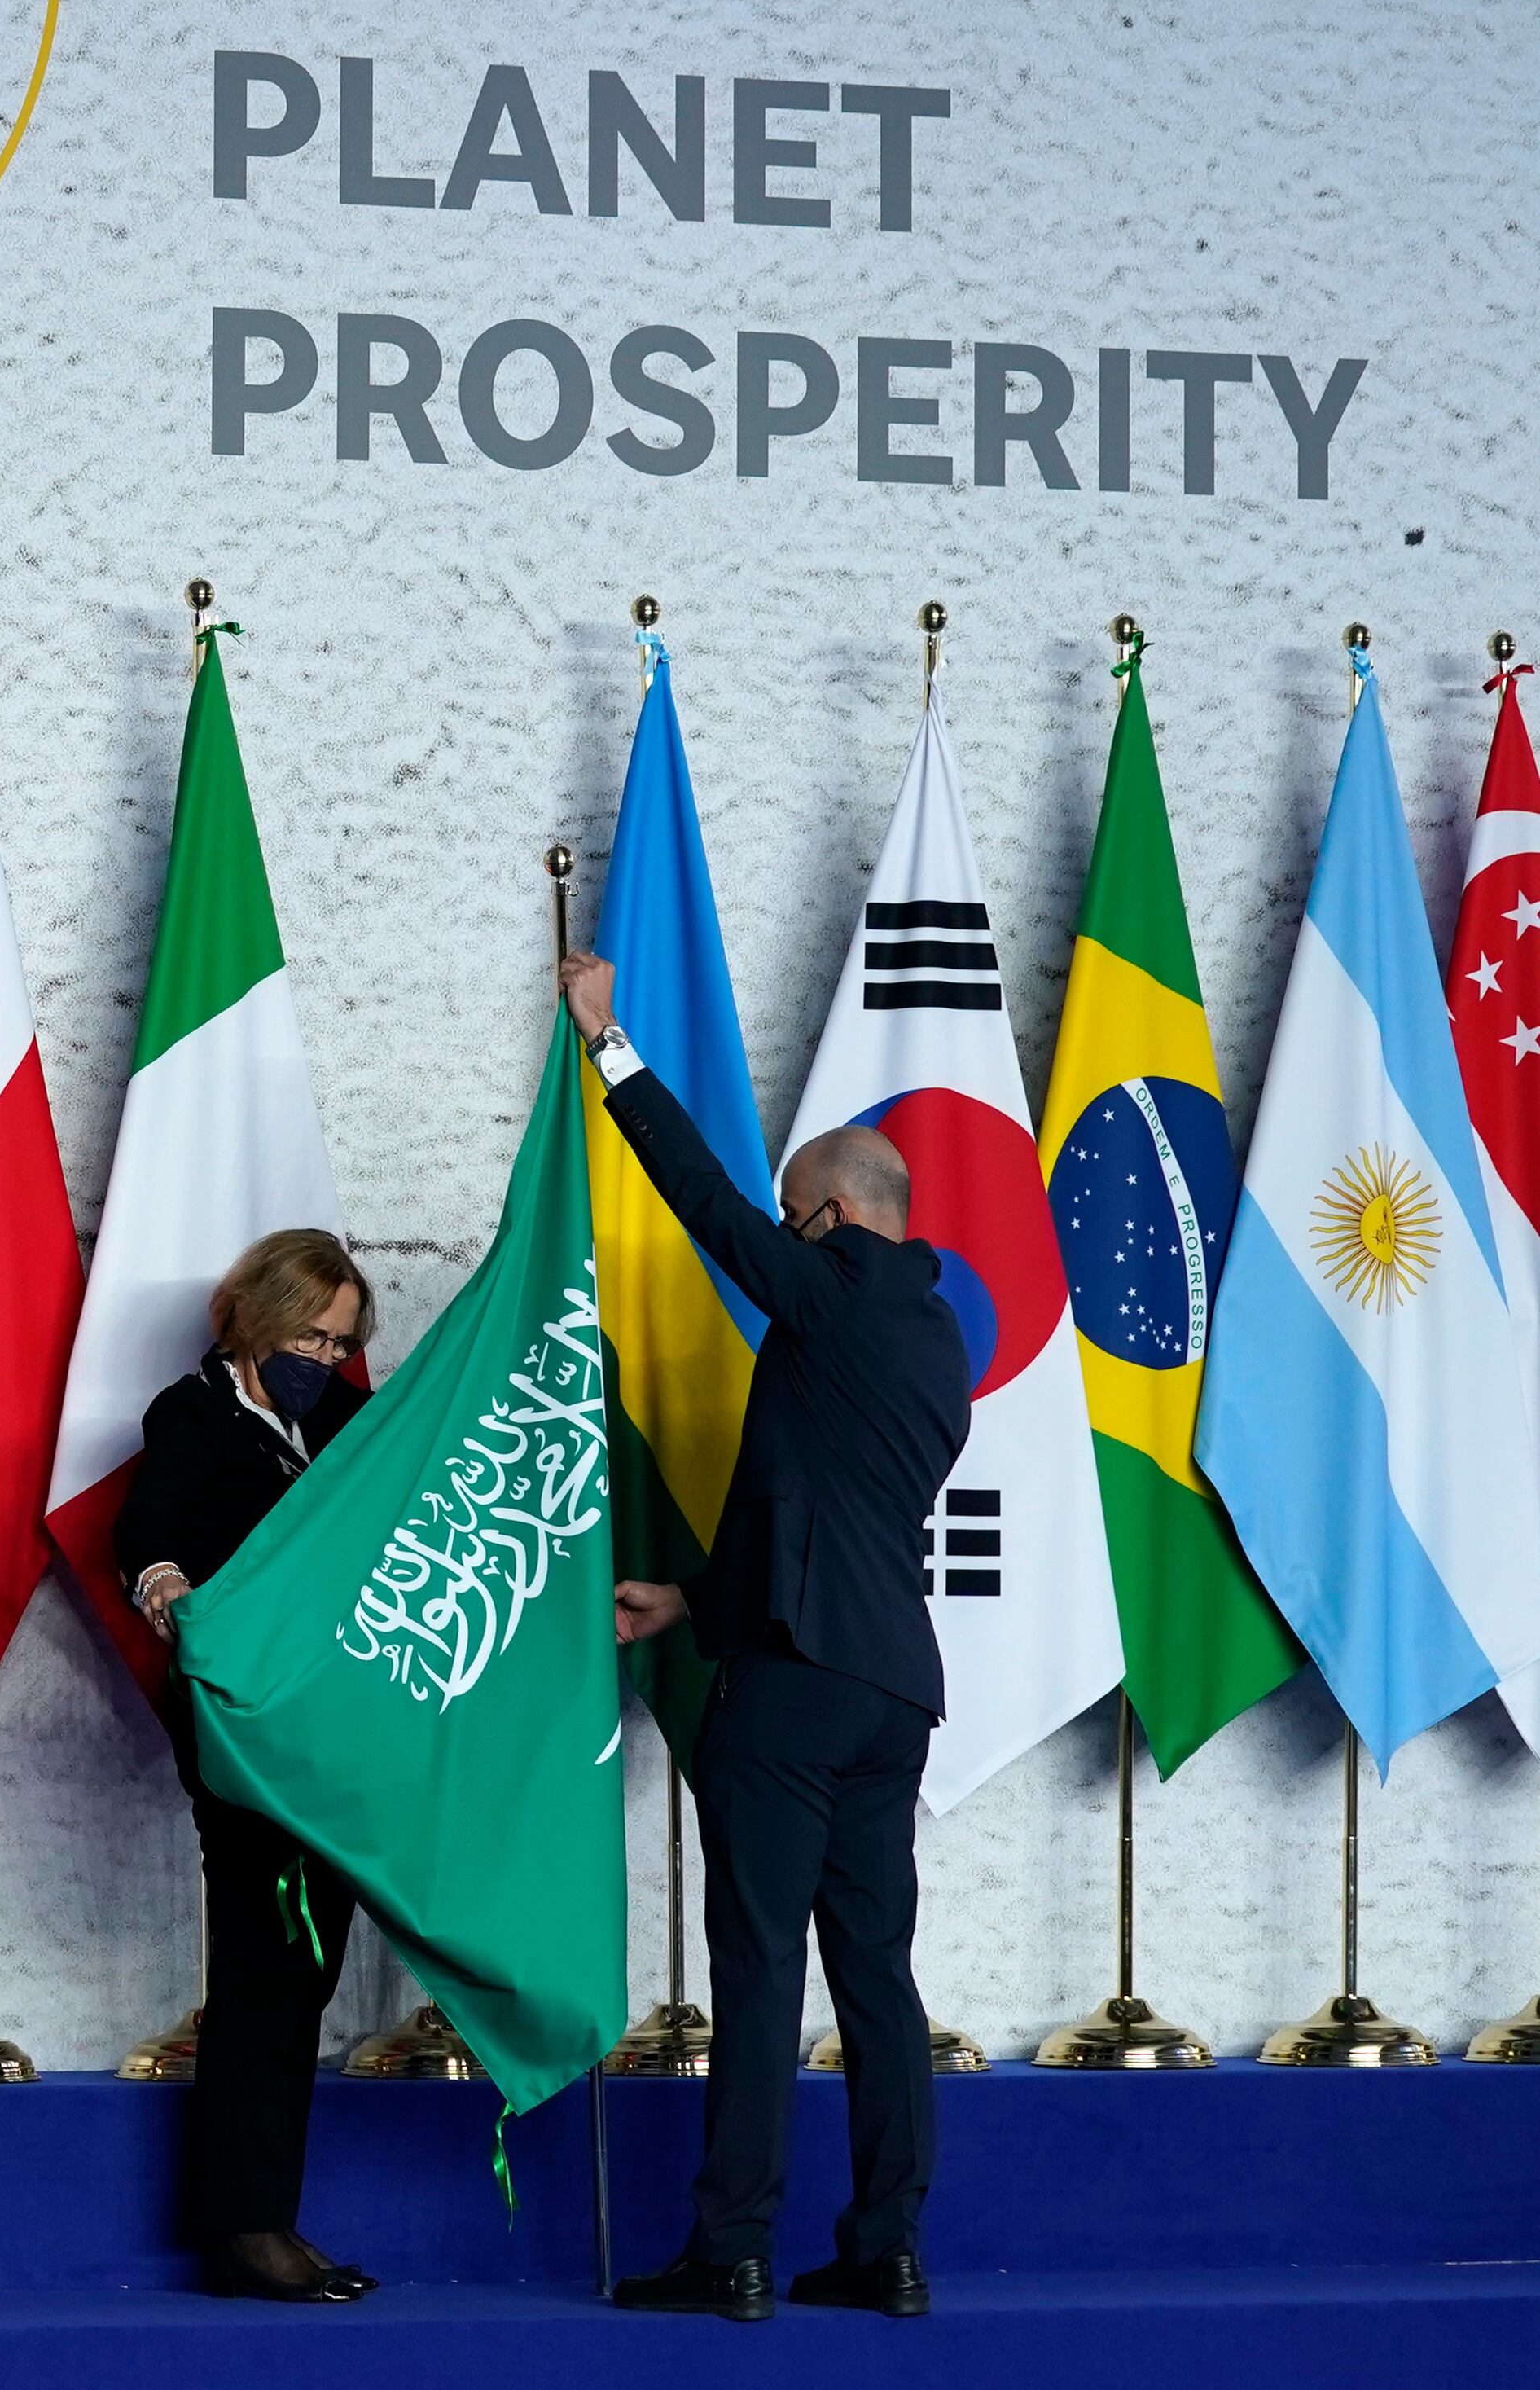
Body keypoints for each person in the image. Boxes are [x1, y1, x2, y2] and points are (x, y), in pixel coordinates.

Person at [559, 949, 970, 2326]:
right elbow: (810, 1510)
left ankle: (731, 2248)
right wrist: (691, 1602)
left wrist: (610, 1045)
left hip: (792, 1700)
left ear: (837, 1217)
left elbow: (708, 1209)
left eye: (802, 1223)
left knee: (756, 1967)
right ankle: (888, 2248)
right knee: (878, 1982)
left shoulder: (832, 1281)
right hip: (888, 1691)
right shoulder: (933, 1337)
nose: (784, 1242)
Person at [112, 1228, 380, 2306]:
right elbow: (145, 1529)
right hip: (245, 1742)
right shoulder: (198, 1415)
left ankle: (274, 2216)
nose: (324, 1354)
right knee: (265, 1972)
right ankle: (244, 2229)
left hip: (331, 1741)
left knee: (305, 1976)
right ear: (256, 1321)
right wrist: (167, 1586)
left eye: (342, 1339)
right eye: (309, 1332)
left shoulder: (344, 1424)